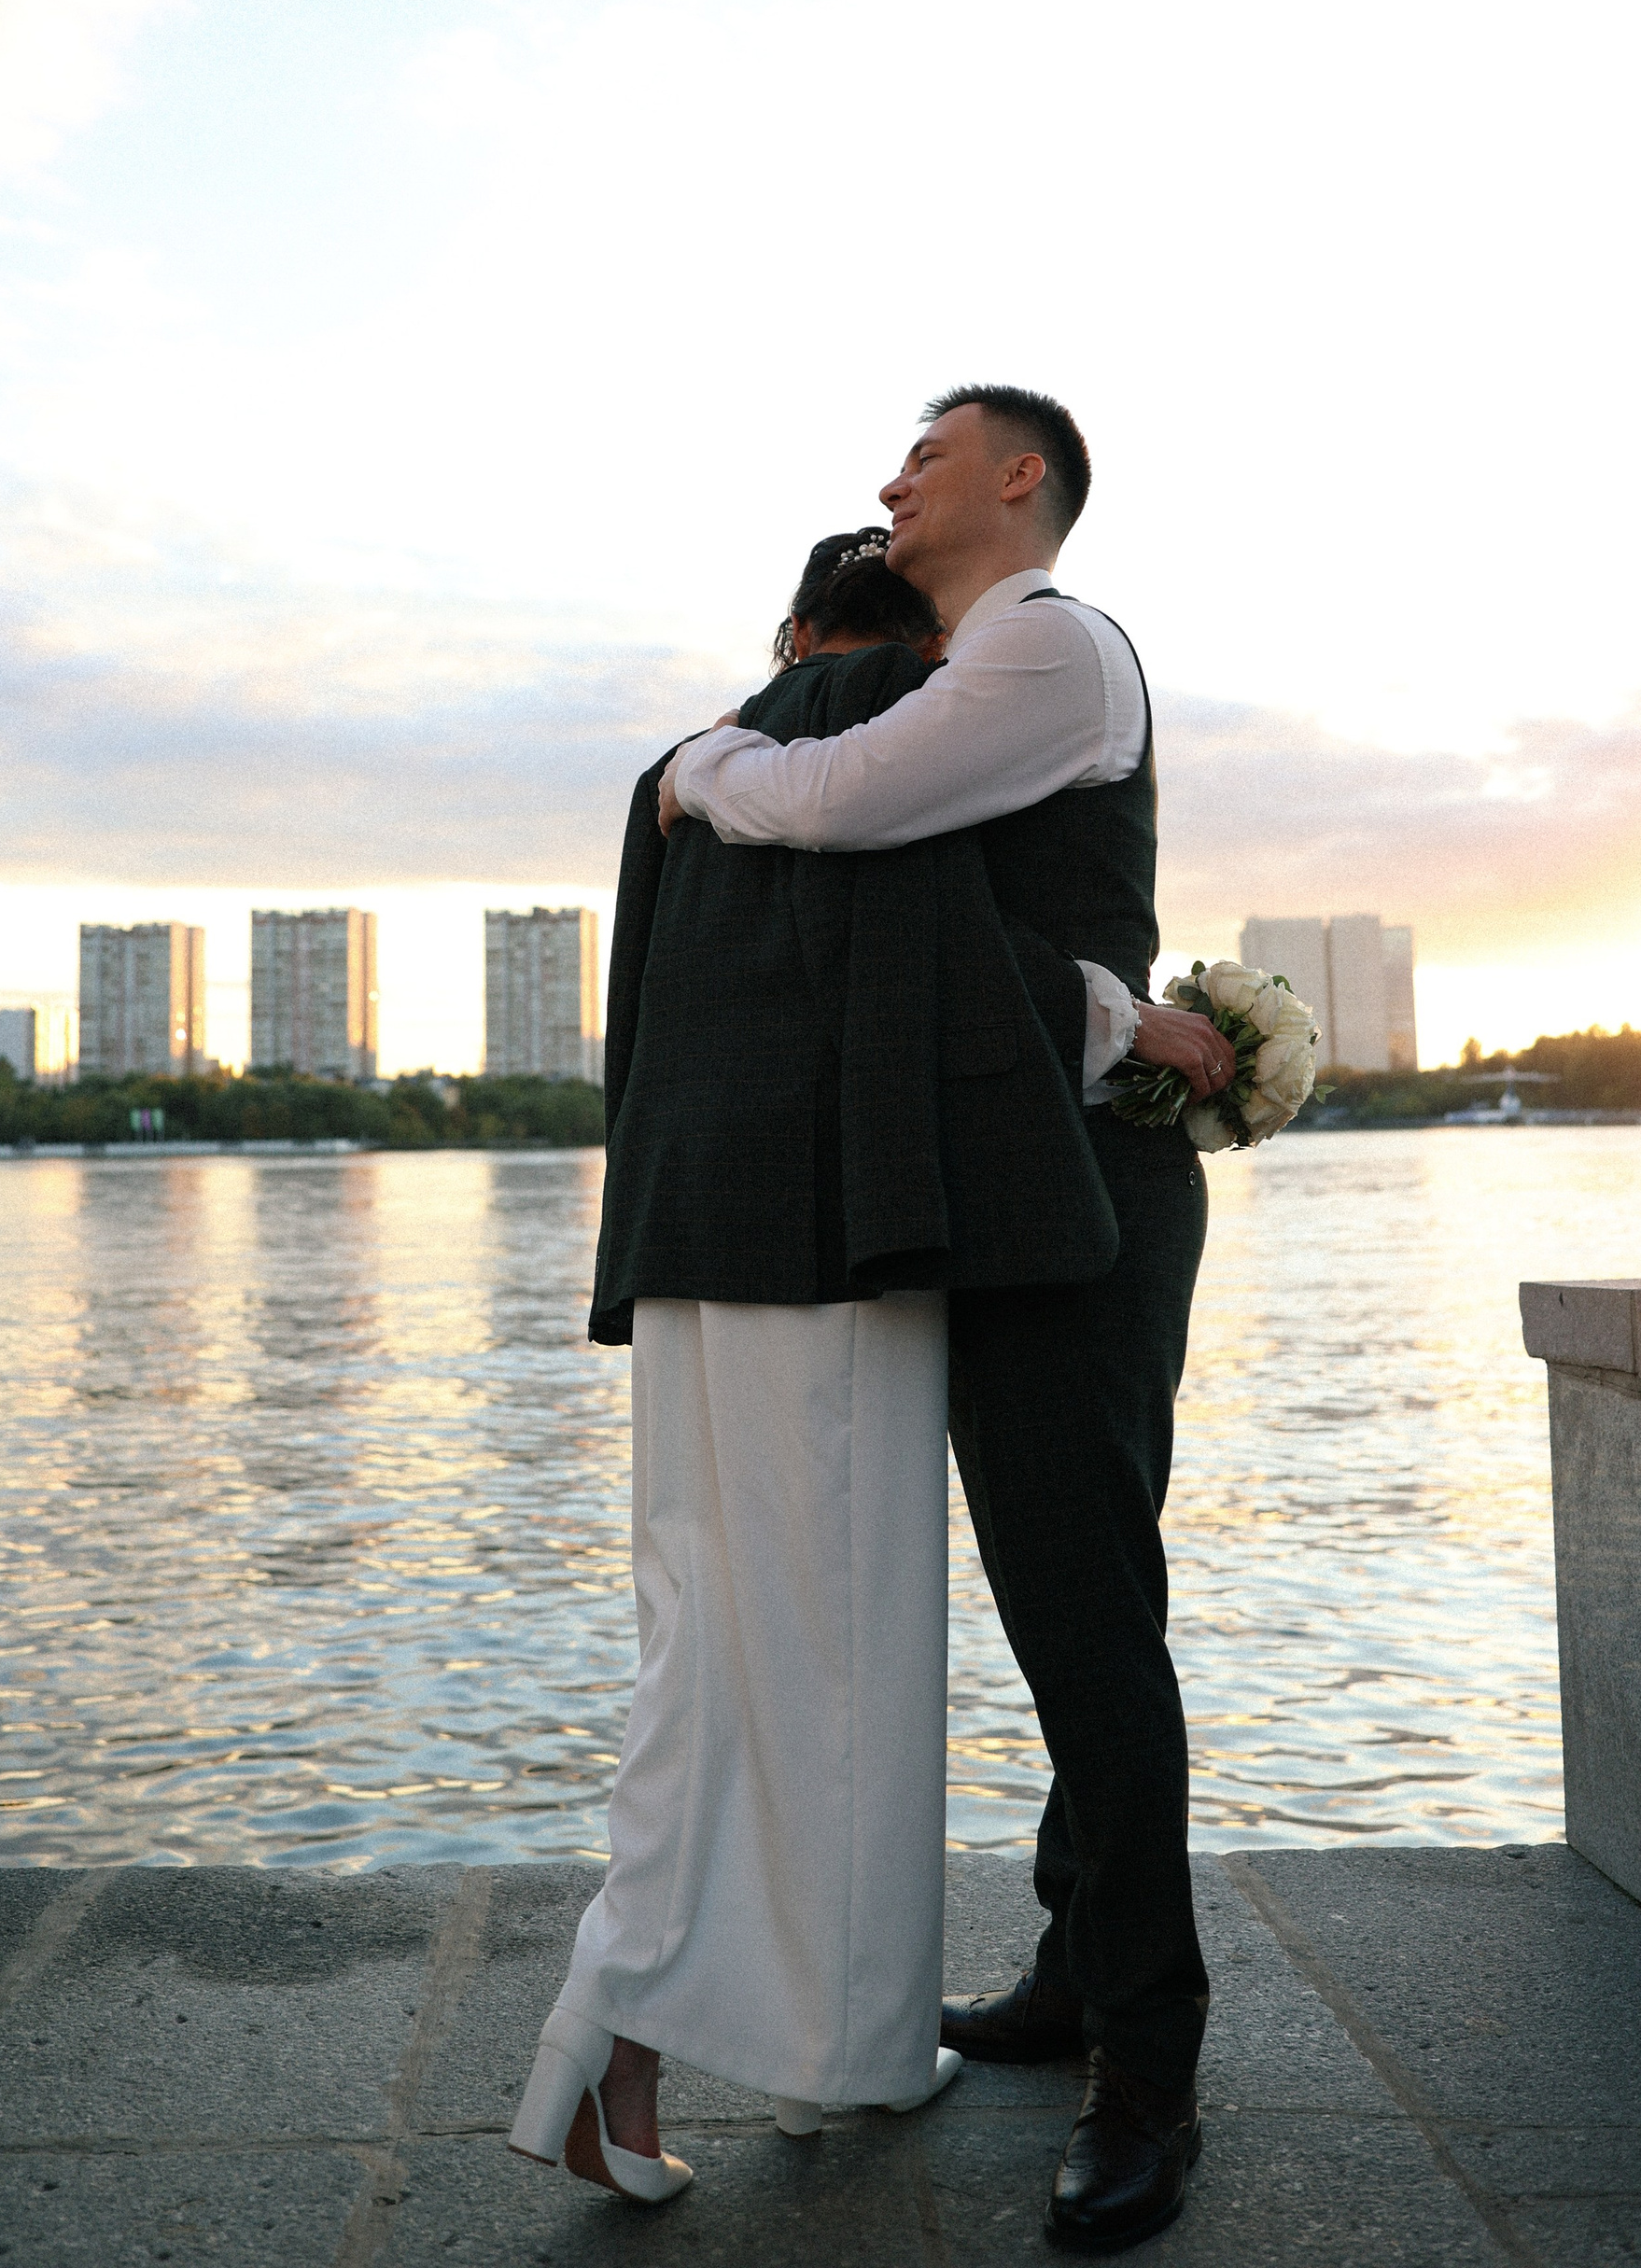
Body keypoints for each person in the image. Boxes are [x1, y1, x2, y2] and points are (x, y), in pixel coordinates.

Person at [660, 387, 1233, 2256]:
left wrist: (698, 769)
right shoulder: (968, 667)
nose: (892, 480)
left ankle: (1149, 2066)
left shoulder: (1047, 647)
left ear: (1020, 477)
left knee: (1088, 1615)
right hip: (1013, 1190)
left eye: (927, 454)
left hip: (1085, 1199)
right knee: (1067, 1602)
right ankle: (1077, 1967)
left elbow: (833, 809)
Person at [509, 529, 1135, 2205]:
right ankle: (655, 2043)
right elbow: (947, 984)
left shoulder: (685, 767)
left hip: (682, 1239)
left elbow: (642, 1021)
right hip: (830, 1239)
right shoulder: (872, 738)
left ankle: (795, 2052)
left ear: (789, 626)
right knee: (842, 1666)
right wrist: (1138, 1027)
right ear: (922, 648)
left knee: (702, 1636)